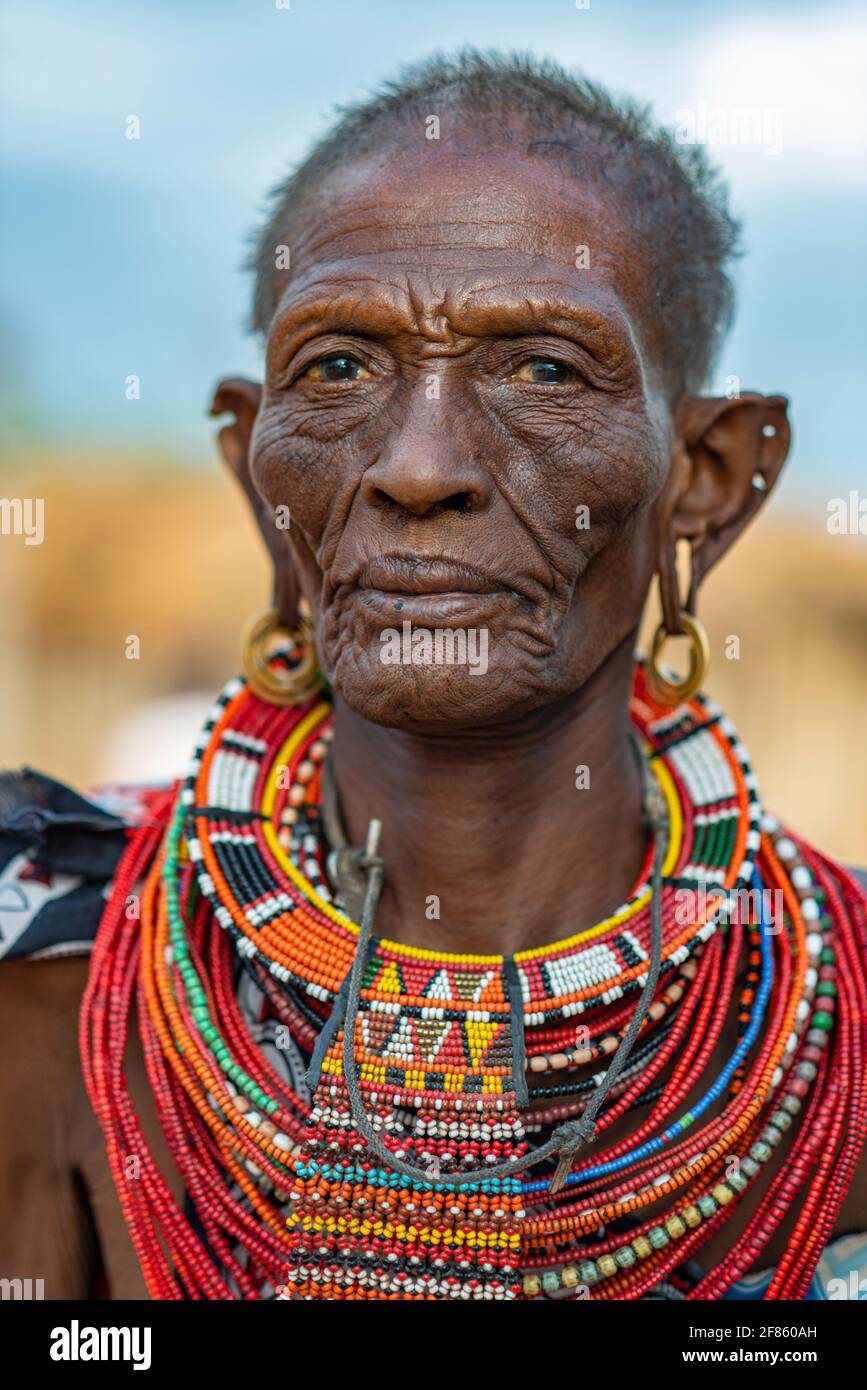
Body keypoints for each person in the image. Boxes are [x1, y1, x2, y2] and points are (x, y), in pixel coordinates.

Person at [1, 51, 865, 1302]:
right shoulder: (49, 973)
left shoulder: (837, 1023)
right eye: (340, 367)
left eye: (547, 369)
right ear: (255, 465)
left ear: (708, 476)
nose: (418, 467)